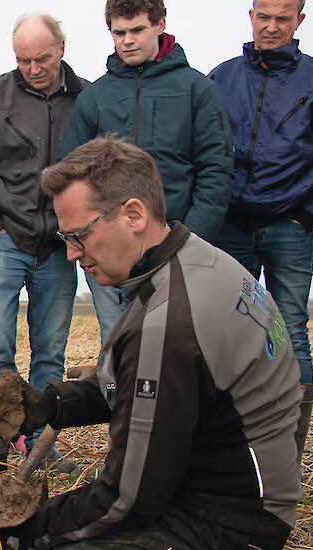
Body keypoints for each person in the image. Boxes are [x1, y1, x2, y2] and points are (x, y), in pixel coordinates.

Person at [0, 137, 301, 550]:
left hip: (230, 523)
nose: (71, 254)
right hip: (229, 488)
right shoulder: (195, 260)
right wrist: (51, 405)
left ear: (133, 215)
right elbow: (146, 392)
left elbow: (129, 497)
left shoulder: (169, 320)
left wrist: (20, 528)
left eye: (79, 236)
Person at [0, 14, 84, 472]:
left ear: (61, 49)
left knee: (51, 350)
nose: (32, 68)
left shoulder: (85, 99)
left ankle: (44, 444)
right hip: (4, 240)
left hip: (60, 246)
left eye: (41, 58)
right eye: (22, 59)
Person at [208, 0, 313, 463]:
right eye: (263, 16)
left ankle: (286, 456)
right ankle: (229, 450)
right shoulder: (222, 77)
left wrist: (309, 216)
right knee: (228, 330)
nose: (271, 27)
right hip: (230, 226)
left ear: (299, 21)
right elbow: (206, 147)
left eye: (282, 19)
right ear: (250, 16)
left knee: (290, 330)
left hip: (290, 224)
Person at [60, 0, 233, 343]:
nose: (127, 40)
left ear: (160, 25)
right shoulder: (94, 98)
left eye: (137, 30)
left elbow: (216, 169)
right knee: (120, 346)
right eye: (118, 32)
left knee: (178, 345)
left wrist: (191, 239)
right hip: (108, 252)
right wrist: (91, 242)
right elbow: (72, 174)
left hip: (177, 246)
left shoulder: (198, 90)